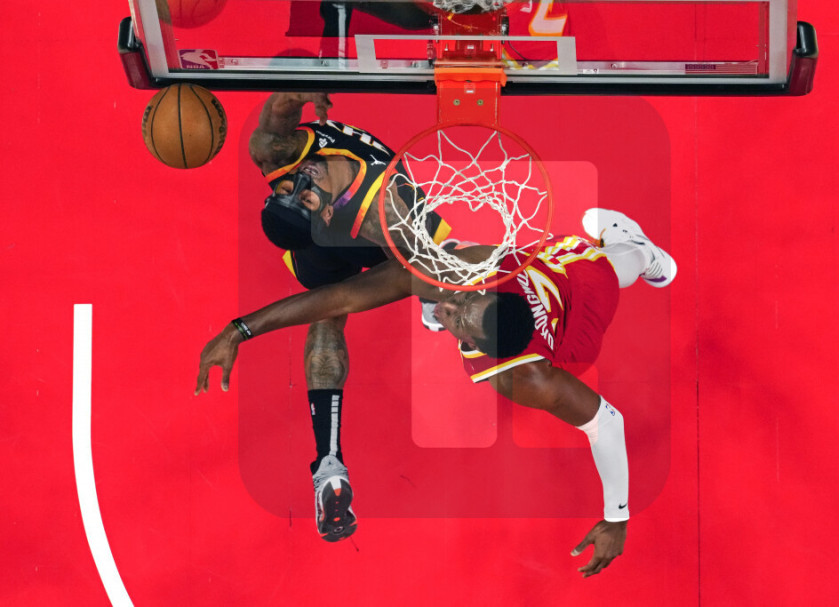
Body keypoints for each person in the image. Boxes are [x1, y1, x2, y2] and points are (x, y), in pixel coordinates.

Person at [196, 206, 677, 577]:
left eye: (457, 319)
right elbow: (341, 297)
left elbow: (607, 423)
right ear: (485, 287)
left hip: (581, 314)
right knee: (570, 249)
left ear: (479, 348)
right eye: (462, 300)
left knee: (614, 264)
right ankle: (624, 248)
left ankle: (642, 250)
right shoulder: (468, 270)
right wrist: (241, 329)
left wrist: (617, 517)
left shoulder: (522, 378)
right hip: (546, 268)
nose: (451, 306)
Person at [248, 92, 452, 542]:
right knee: (335, 308)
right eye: (301, 198)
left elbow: (279, 106)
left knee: (401, 274)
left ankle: (328, 466)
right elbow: (411, 264)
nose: (298, 184)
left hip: (368, 232)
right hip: (360, 234)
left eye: (288, 188)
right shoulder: (385, 214)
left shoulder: (274, 152)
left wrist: (302, 92)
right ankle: (329, 464)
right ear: (322, 213)